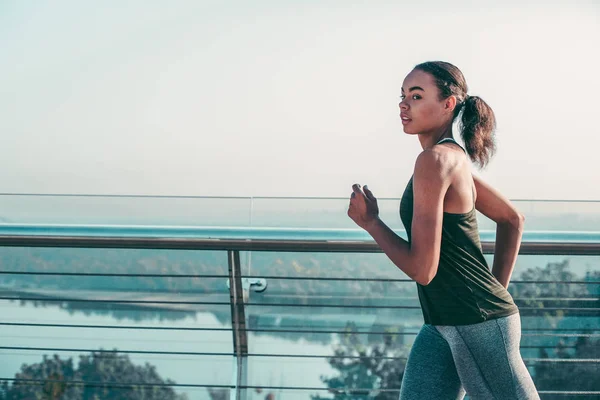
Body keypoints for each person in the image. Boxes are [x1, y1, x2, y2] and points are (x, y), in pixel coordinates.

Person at [347, 61, 540, 399]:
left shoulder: (435, 160)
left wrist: (371, 223)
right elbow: (512, 220)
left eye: (417, 96)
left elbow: (423, 269)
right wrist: (493, 292)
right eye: (403, 95)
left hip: (476, 324)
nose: (404, 104)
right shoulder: (452, 158)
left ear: (448, 104)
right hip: (442, 324)